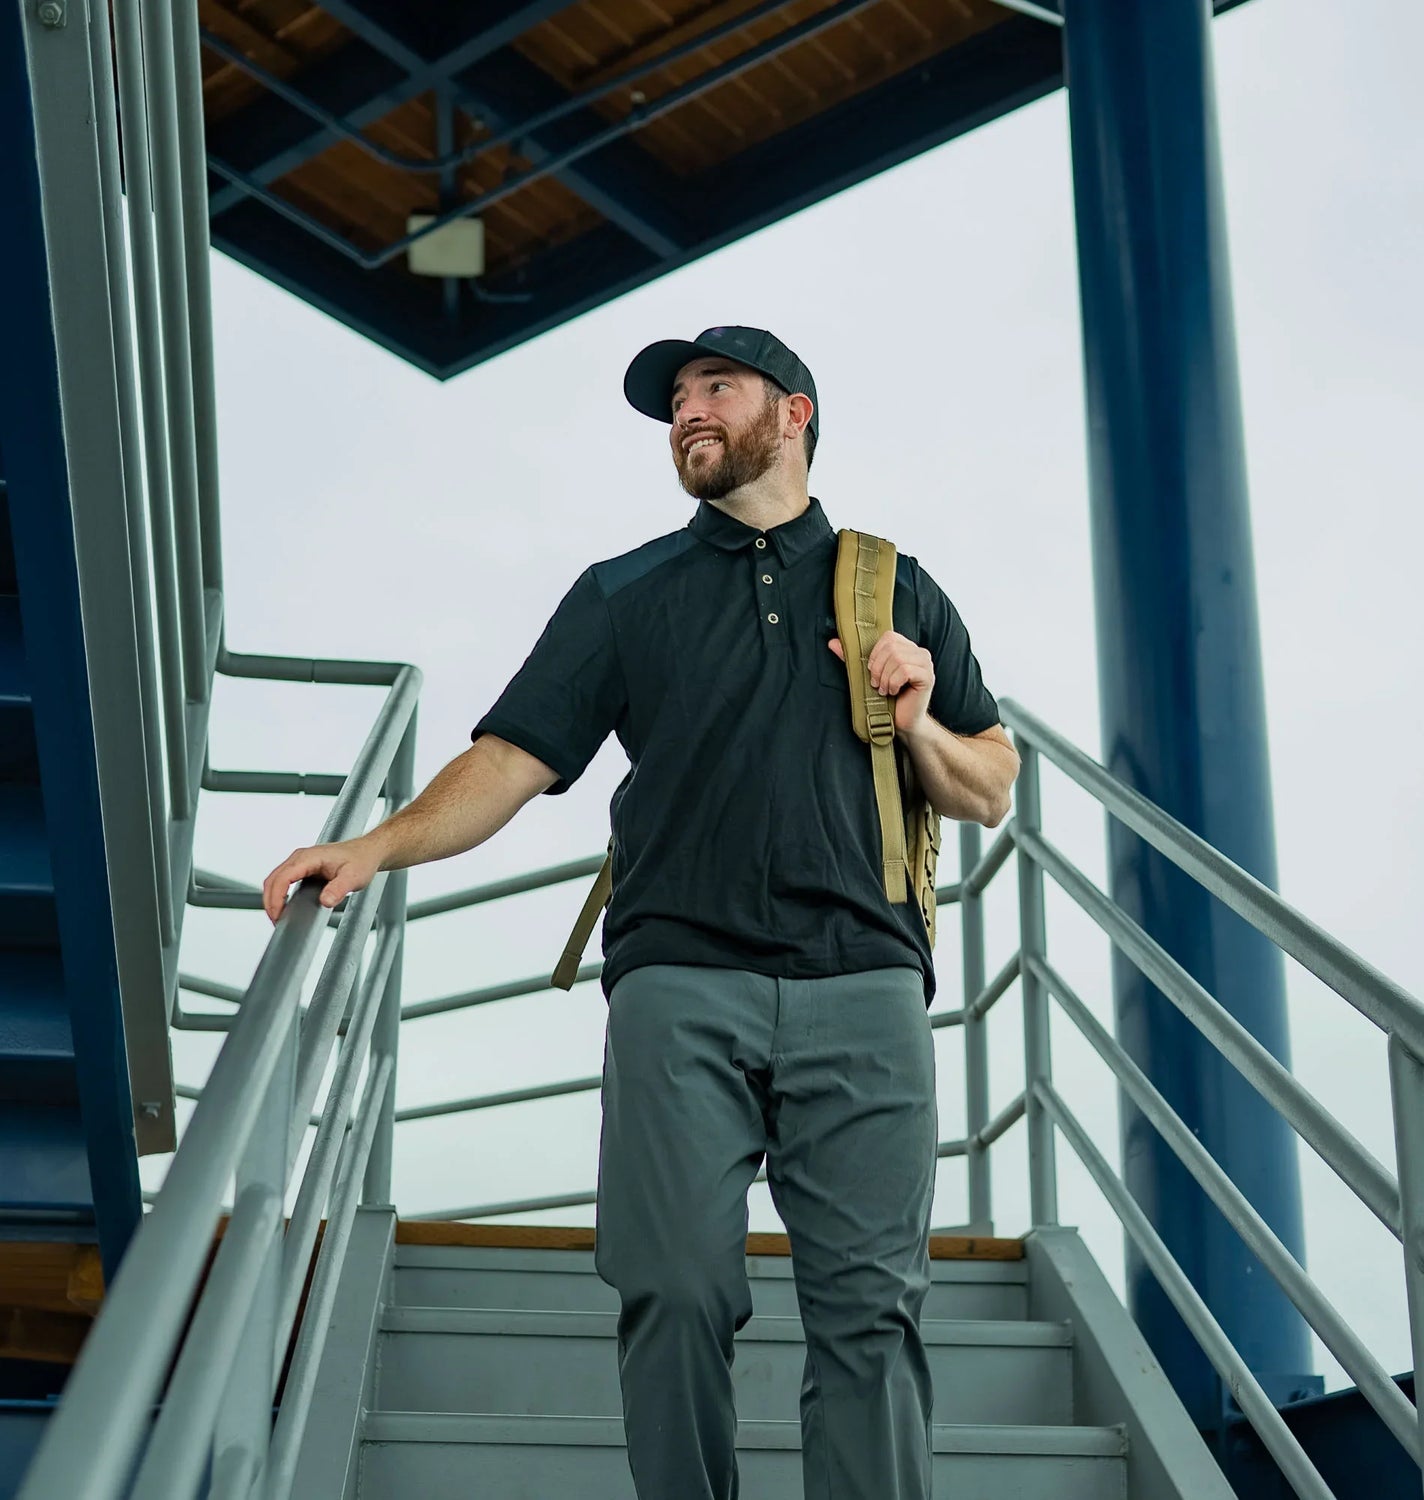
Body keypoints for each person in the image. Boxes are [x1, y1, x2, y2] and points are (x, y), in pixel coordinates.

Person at [261, 326, 1020, 1500]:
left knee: (871, 1313)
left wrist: (917, 723)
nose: (687, 412)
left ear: (795, 414)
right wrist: (374, 846)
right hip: (680, 983)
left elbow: (991, 783)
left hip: (865, 983)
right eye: (675, 400)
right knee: (671, 1289)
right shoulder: (624, 593)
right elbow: (509, 759)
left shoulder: (897, 588)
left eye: (717, 387)